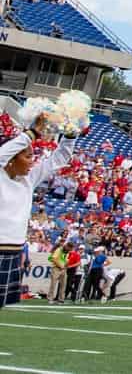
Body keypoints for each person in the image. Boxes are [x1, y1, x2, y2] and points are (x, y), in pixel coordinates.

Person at [1, 120, 79, 312]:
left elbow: (59, 158)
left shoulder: (29, 179)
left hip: (12, 252)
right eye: (28, 156)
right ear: (11, 159)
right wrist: (32, 133)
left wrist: (69, 136)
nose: (32, 161)